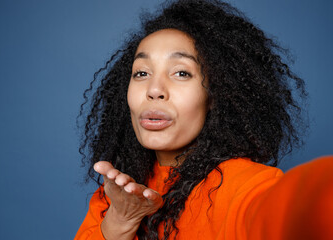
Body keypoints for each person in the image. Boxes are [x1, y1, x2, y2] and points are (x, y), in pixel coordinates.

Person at [75, 0, 333, 239]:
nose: (154, 90)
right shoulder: (117, 195)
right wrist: (120, 220)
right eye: (141, 72)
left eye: (181, 73)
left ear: (215, 95)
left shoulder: (243, 187)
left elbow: (299, 206)